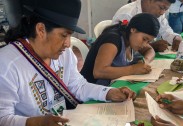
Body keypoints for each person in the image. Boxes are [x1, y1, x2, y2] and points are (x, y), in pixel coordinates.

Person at [0, 0, 136, 126]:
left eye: (70, 36)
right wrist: (36, 122)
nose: (68, 43)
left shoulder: (65, 54)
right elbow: (3, 118)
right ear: (41, 30)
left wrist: (109, 93)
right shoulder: (7, 64)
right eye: (64, 35)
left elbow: (78, 86)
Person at [81, 13, 160, 86]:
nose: (145, 44)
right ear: (133, 30)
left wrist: (145, 61)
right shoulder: (113, 40)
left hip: (110, 87)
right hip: (91, 90)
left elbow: (150, 50)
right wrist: (133, 69)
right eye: (144, 39)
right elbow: (99, 72)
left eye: (148, 41)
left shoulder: (131, 38)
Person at [112, 0, 182, 52]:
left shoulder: (158, 14)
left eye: (165, 10)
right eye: (161, 8)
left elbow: (166, 31)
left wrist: (175, 37)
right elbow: (120, 45)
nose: (162, 13)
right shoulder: (127, 14)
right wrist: (151, 46)